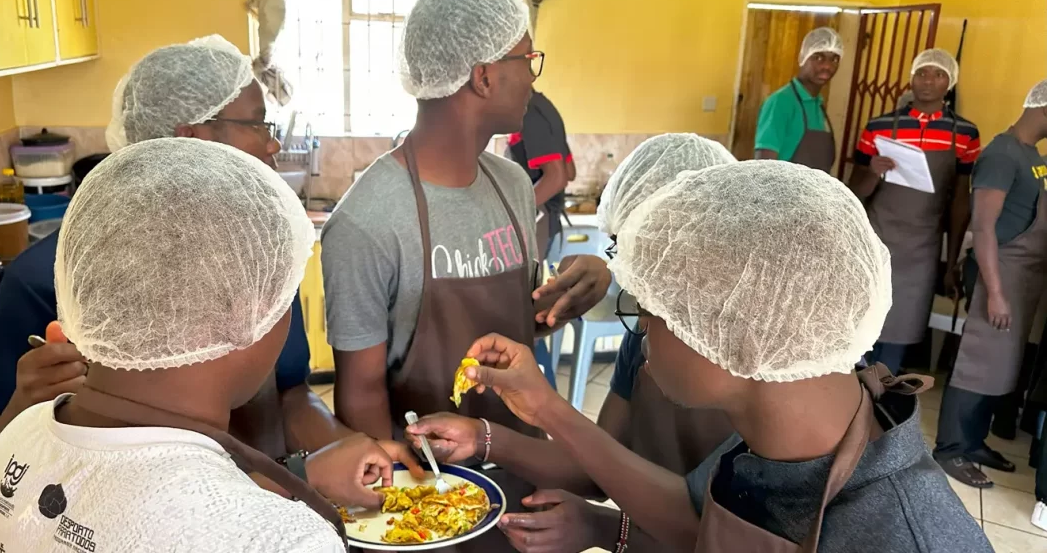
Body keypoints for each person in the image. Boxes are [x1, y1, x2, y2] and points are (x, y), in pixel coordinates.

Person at [433, 160, 990, 551]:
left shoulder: (903, 536)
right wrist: (543, 411)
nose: (642, 329)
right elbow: (692, 513)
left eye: (652, 308)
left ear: (732, 326)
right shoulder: (778, 439)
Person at [0, 36, 417, 499]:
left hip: (265, 505)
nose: (272, 141)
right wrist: (23, 411)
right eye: (256, 123)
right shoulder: (47, 278)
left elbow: (291, 393)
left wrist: (353, 451)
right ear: (190, 139)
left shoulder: (262, 256)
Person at [0, 138, 368, 552]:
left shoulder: (14, 441)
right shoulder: (284, 539)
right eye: (285, 293)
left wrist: (300, 474)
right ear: (251, 311)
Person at [322, 0, 611, 551]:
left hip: (524, 471)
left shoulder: (512, 185)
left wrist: (570, 296)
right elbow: (360, 392)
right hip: (431, 487)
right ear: (483, 76)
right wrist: (416, 512)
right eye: (526, 59)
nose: (534, 76)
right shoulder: (368, 219)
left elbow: (515, 323)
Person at [405, 133, 736, 552]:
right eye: (619, 254)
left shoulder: (766, 371)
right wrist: (482, 437)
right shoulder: (646, 335)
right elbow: (601, 467)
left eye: (638, 260)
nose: (637, 303)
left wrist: (611, 530)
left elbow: (718, 534)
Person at [934, 79, 1047, 488]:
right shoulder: (1002, 155)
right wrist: (995, 292)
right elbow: (983, 227)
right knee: (978, 362)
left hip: (1022, 274)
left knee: (1000, 365)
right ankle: (950, 448)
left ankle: (972, 441)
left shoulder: (1032, 155)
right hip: (997, 271)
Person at [848, 49, 981, 374]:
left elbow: (959, 199)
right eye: (922, 73)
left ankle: (881, 392)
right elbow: (854, 191)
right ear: (911, 78)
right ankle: (853, 389)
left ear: (950, 82)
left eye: (938, 75)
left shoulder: (965, 134)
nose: (928, 81)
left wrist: (951, 262)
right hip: (876, 240)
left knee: (902, 329)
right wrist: (872, 172)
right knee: (861, 323)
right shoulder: (878, 126)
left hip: (922, 248)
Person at [755, 26, 843, 174]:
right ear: (803, 58)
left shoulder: (818, 105)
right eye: (818, 57)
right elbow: (763, 166)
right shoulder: (780, 102)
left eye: (834, 59)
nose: (827, 66)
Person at [506, 88, 571, 259]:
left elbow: (557, 177)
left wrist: (511, 213)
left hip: (536, 220)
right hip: (547, 220)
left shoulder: (528, 113)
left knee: (527, 275)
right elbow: (570, 171)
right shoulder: (545, 108)